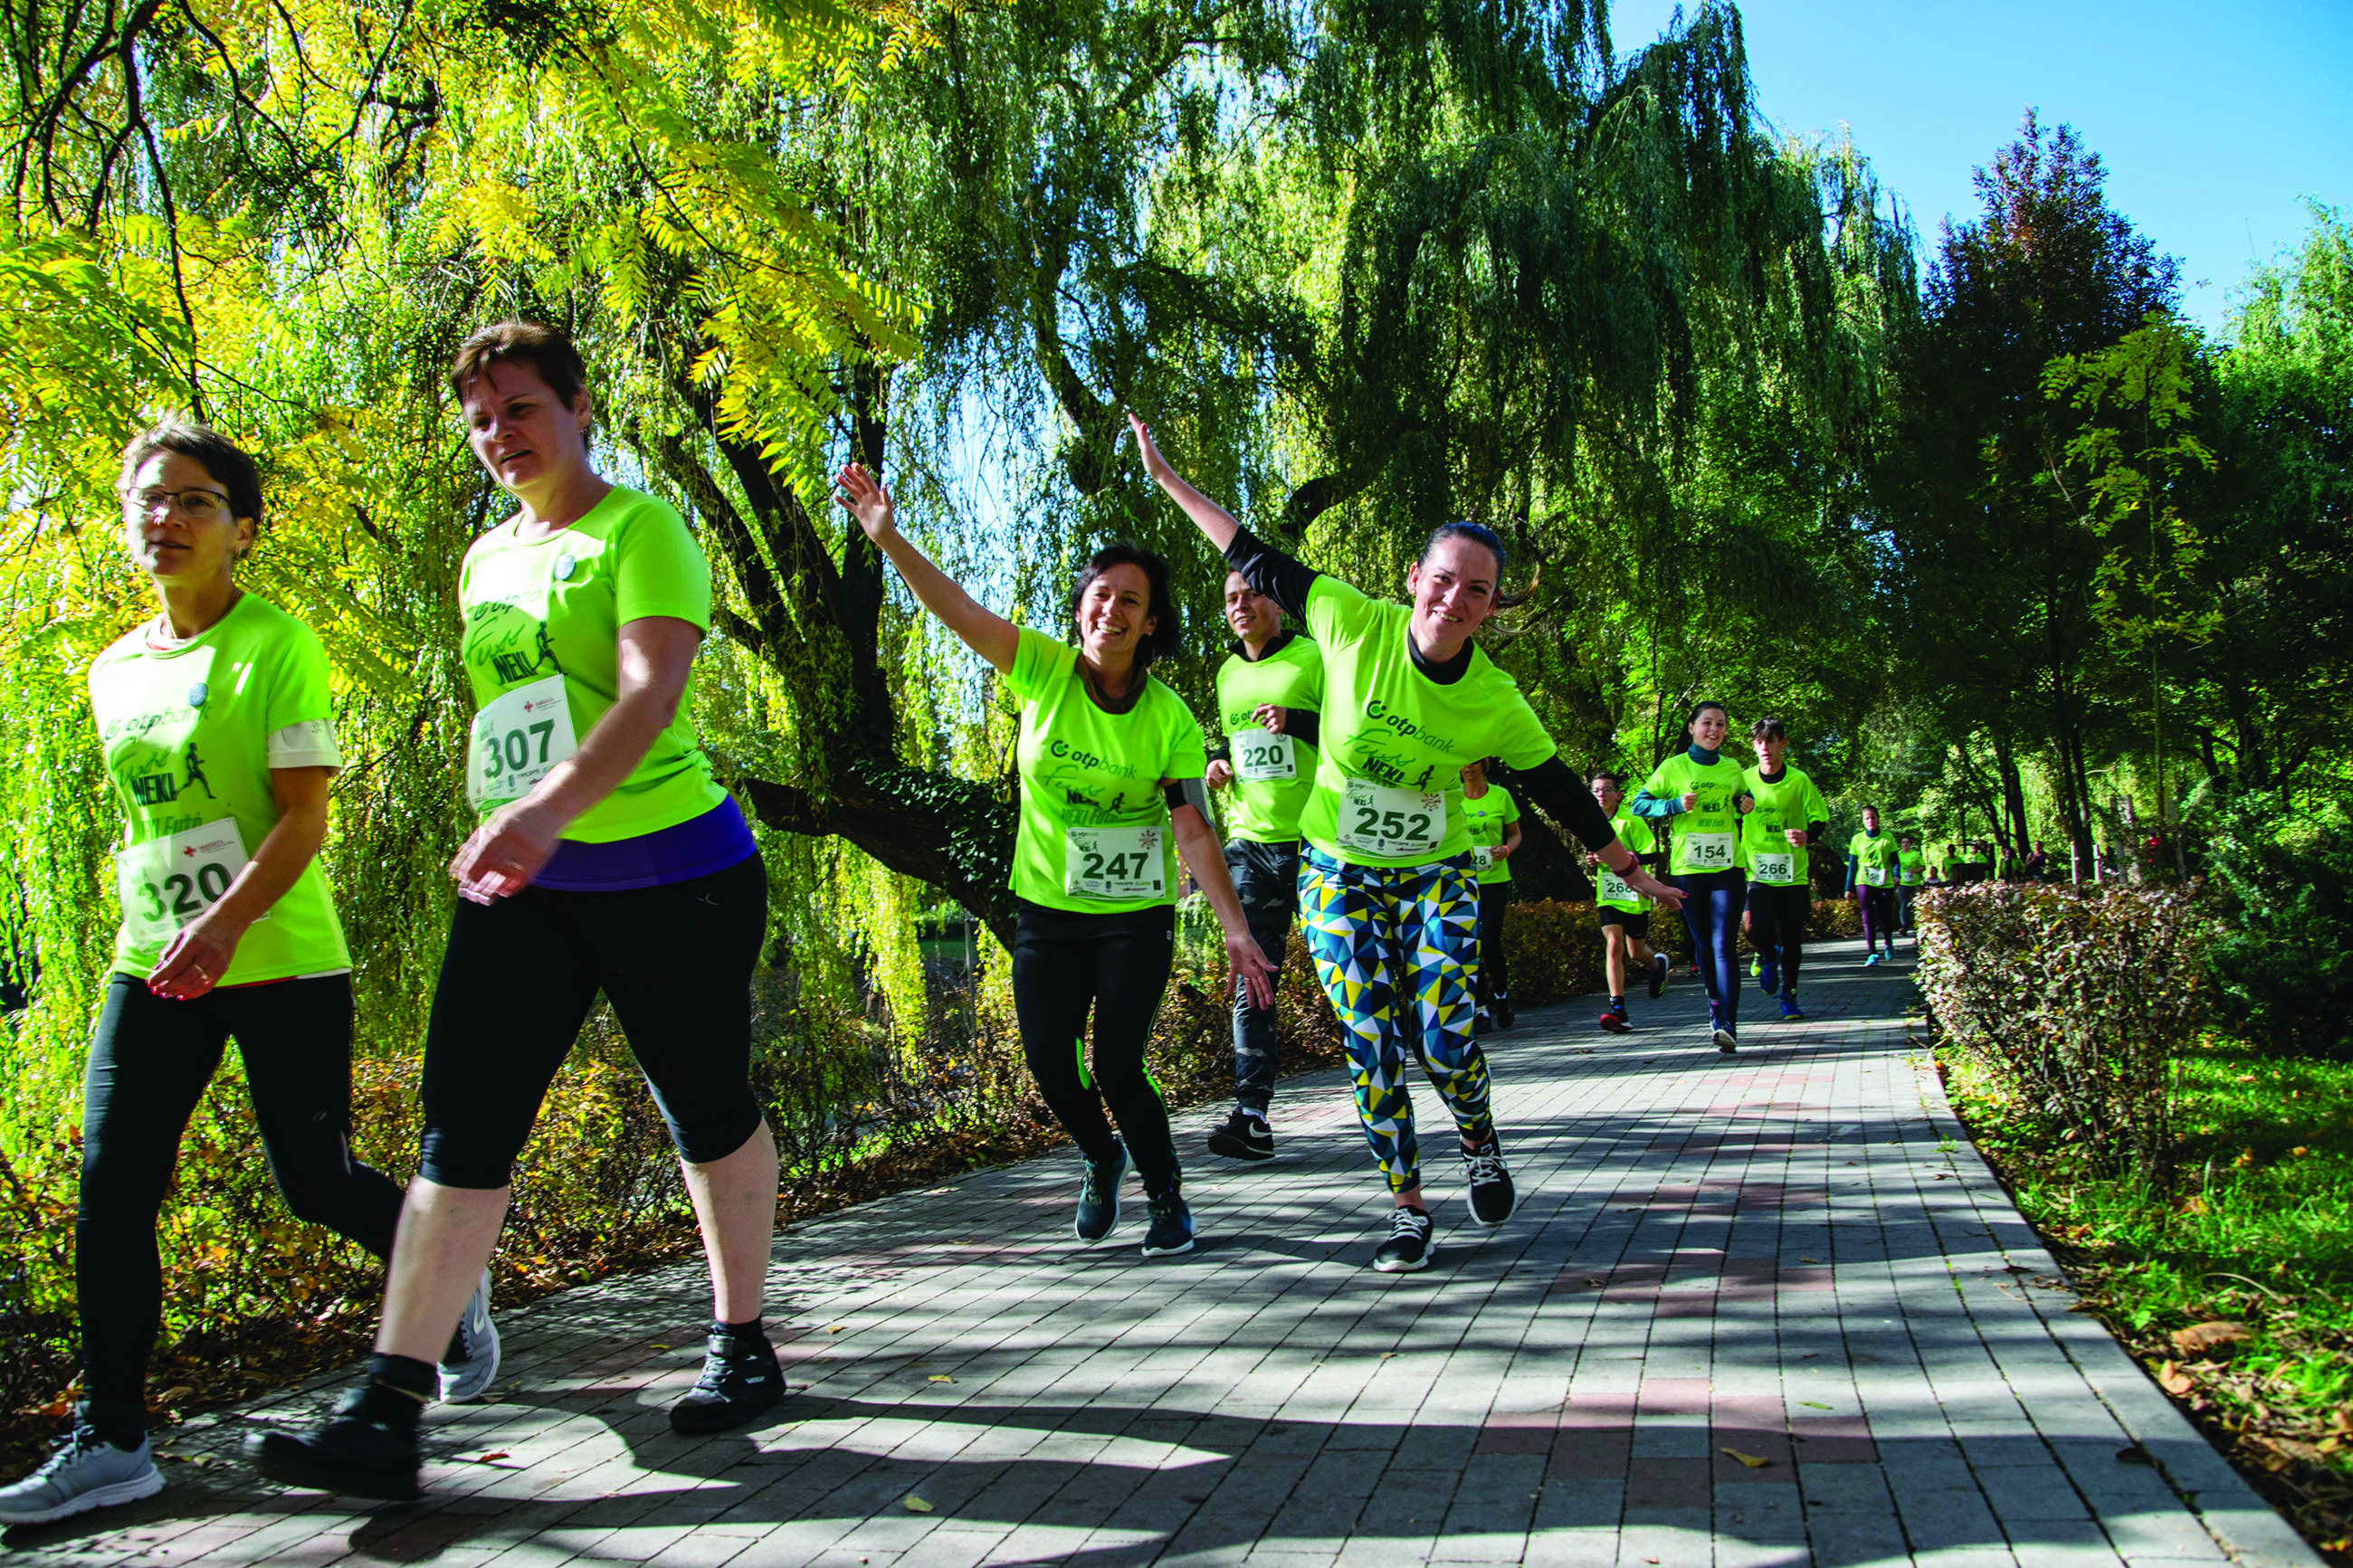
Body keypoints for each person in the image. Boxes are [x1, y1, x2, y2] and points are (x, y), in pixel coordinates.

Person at [249, 322, 779, 1501]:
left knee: (705, 1102)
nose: (500, 434)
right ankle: (390, 1401)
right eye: (481, 418)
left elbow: (647, 697)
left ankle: (743, 1341)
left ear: (579, 407)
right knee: (461, 1127)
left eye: (521, 408)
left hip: (672, 872)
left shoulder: (642, 529)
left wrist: (539, 811)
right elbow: (522, 710)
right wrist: (512, 823)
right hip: (528, 888)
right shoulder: (485, 560)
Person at [0, 425, 498, 1527]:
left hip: (280, 958)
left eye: (194, 500)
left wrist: (224, 928)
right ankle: (115, 1436)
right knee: (112, 1188)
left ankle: (444, 1291)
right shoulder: (114, 667)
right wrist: (178, 931)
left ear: (244, 528)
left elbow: (304, 818)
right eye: (148, 500)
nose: (165, 518)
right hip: (155, 961)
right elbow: (152, 823)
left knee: (313, 1180)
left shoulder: (278, 645)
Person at [1130, 413, 1681, 1273]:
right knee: (1370, 1039)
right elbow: (1254, 551)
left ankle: (1480, 1140)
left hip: (1436, 872)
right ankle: (1407, 1208)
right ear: (1415, 577)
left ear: (1493, 607)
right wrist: (1166, 477)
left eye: (1477, 591)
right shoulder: (1352, 621)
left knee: (1445, 1036)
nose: (1454, 600)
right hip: (1338, 871)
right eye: (1445, 580)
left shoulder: (1496, 698)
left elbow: (1559, 789)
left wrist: (1629, 870)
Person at [836, 461, 1273, 1264]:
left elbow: (1192, 828)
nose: (1112, 609)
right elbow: (959, 611)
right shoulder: (1042, 668)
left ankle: (1166, 1194)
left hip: (1133, 917)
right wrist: (887, 535)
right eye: (1100, 595)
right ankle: (1100, 1155)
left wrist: (1236, 928)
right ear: (1080, 611)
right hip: (1046, 907)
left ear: (1150, 624)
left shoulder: (1169, 717)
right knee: (1048, 1060)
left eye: (1131, 600)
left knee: (1115, 1060)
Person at [1201, 572, 1323, 1162]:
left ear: (1276, 601)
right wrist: (1218, 762)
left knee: (1351, 970)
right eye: (1230, 599)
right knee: (1253, 974)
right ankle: (1252, 1116)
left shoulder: (1313, 656)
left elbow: (1354, 732)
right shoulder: (1226, 673)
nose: (1240, 606)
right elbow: (1234, 740)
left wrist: (1297, 721)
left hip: (1319, 841)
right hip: (1250, 842)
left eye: (1250, 594)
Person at [1632, 702, 1751, 1053]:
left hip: (1729, 868)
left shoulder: (1732, 768)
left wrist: (1746, 803)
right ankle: (1715, 1004)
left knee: (1724, 945)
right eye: (1707, 723)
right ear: (1692, 728)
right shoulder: (1673, 767)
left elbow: (1744, 798)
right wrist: (1671, 806)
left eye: (1721, 724)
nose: (1714, 730)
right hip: (1689, 870)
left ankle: (1728, 1022)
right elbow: (1639, 804)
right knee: (1703, 945)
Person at [1737, 718, 1829, 1023]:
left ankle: (1789, 997)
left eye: (1770, 741)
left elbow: (1819, 818)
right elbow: (1731, 814)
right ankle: (1767, 954)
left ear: (1782, 743)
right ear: (1754, 746)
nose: (1765, 748)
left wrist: (1807, 836)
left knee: (1791, 937)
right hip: (1757, 871)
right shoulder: (1744, 779)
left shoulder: (1800, 781)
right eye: (1759, 742)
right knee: (1751, 927)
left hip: (1792, 872)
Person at [1591, 769, 1670, 1033]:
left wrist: (1627, 857)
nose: (1602, 795)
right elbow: (1594, 861)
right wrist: (1592, 861)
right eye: (1597, 790)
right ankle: (1618, 1009)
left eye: (1607, 790)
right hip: (1609, 896)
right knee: (1614, 946)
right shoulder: (1591, 824)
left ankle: (1657, 966)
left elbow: (1651, 855)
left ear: (1618, 794)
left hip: (1634, 895)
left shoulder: (1631, 820)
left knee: (1636, 952)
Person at [1459, 758, 1522, 1033]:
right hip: (1461, 881)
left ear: (1484, 766)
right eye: (1464, 764)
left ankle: (1502, 997)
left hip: (1494, 880)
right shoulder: (1450, 797)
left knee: (1489, 942)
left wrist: (1506, 850)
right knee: (1469, 945)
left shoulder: (1500, 795)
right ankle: (1480, 1009)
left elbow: (1516, 834)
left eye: (1474, 763)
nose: (1469, 767)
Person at [1845, 806, 1902, 965]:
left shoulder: (1888, 837)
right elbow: (1852, 865)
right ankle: (1872, 953)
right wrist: (1848, 888)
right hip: (1864, 880)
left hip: (1884, 881)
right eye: (1867, 818)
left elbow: (1895, 860)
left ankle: (1888, 943)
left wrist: (1897, 875)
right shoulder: (1857, 839)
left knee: (1884, 916)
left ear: (1878, 819)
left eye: (1873, 818)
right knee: (1867, 916)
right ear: (1863, 821)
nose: (1870, 821)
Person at [1897, 833, 1928, 932]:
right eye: (1903, 842)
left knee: (1915, 904)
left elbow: (1923, 867)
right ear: (1901, 844)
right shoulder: (1898, 855)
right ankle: (1904, 926)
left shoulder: (1915, 854)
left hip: (1914, 883)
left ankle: (1917, 926)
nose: (1905, 844)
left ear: (1910, 844)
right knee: (1904, 904)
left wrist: (1915, 871)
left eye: (1907, 842)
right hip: (1903, 883)